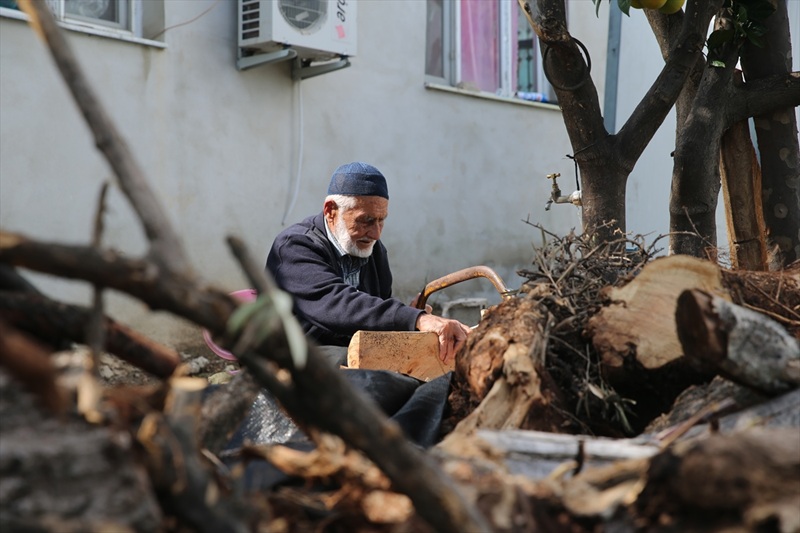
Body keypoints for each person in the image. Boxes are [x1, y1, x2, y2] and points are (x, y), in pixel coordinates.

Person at [266, 161, 471, 366]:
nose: (376, 233)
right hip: (292, 356)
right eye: (366, 220)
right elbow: (338, 305)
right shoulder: (294, 246)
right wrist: (415, 319)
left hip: (348, 351)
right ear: (330, 211)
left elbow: (372, 315)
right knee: (372, 372)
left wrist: (406, 323)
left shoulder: (373, 249)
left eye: (381, 220)